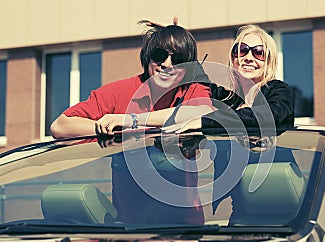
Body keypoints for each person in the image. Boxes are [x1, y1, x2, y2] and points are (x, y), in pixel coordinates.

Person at [50, 20, 213, 224]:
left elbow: (200, 113)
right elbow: (60, 126)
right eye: (160, 55)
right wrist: (111, 130)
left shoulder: (192, 90)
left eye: (178, 59)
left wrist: (130, 121)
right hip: (130, 231)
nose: (167, 64)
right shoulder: (119, 92)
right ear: (147, 56)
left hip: (183, 228)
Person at [163, 24, 295, 223]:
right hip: (241, 214)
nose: (248, 57)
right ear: (233, 59)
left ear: (269, 61)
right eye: (241, 50)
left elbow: (267, 116)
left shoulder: (279, 91)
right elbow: (198, 79)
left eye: (258, 52)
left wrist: (203, 121)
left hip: (283, 214)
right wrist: (177, 41)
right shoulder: (229, 101)